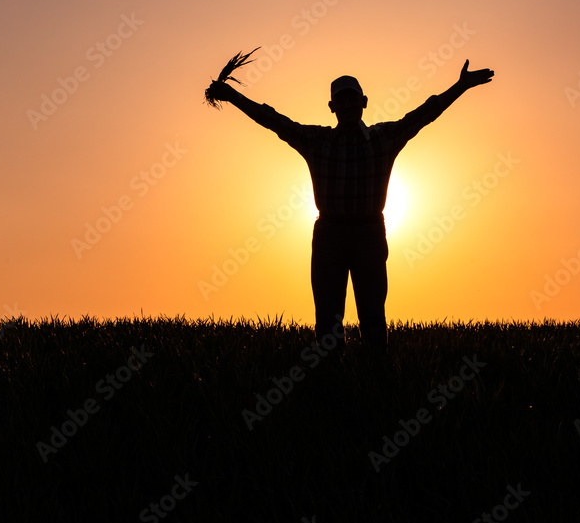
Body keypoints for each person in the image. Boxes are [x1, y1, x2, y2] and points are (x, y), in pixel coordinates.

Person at [206, 59, 493, 357]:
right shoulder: (317, 141)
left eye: (351, 99)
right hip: (329, 234)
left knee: (372, 315)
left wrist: (461, 86)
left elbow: (424, 113)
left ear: (364, 102)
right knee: (328, 319)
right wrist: (232, 96)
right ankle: (333, 383)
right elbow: (273, 120)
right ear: (331, 107)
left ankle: (375, 379)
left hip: (369, 233)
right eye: (339, 101)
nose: (345, 106)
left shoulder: (384, 138)